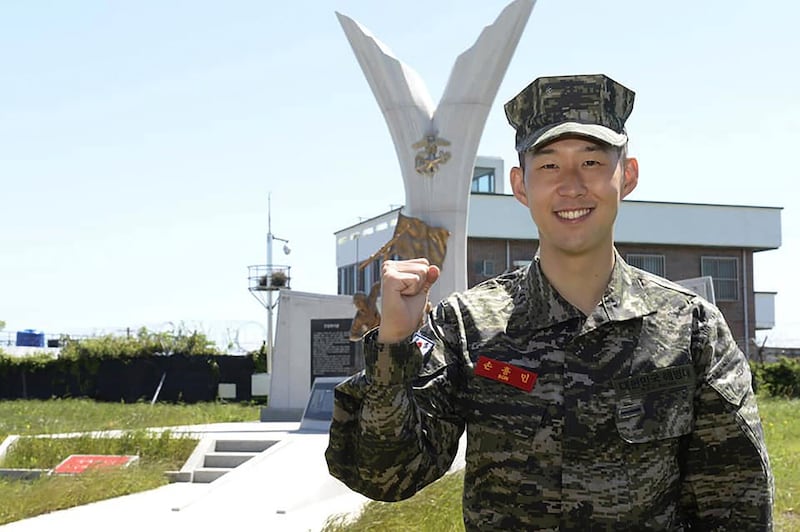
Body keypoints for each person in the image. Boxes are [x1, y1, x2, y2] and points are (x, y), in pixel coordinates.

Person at [326, 74, 774, 530]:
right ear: (520, 186)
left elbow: (737, 499)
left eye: (593, 162)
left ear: (629, 175)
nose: (573, 186)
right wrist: (393, 345)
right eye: (549, 167)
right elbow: (384, 475)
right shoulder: (468, 327)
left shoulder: (690, 327)